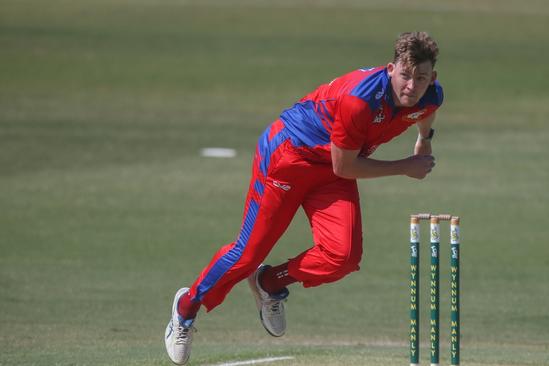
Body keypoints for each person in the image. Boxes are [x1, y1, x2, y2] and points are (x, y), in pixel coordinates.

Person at [164, 31, 443, 365]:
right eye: (405, 76)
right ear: (389, 69)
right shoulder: (360, 100)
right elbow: (345, 167)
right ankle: (186, 309)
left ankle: (269, 282)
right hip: (289, 157)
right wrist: (405, 167)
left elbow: (425, 112)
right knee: (247, 254)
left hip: (331, 167)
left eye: (421, 78)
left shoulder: (430, 96)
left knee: (343, 258)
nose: (411, 86)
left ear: (432, 79)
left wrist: (425, 140)